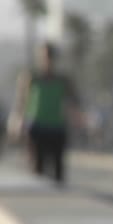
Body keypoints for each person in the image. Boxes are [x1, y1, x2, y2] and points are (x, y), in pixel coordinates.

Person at [14, 43, 80, 188]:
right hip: (37, 127)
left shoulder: (63, 80)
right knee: (37, 169)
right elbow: (22, 101)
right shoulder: (32, 78)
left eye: (50, 56)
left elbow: (73, 102)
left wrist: (78, 119)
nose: (47, 60)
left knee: (58, 172)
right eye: (45, 56)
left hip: (57, 127)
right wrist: (19, 122)